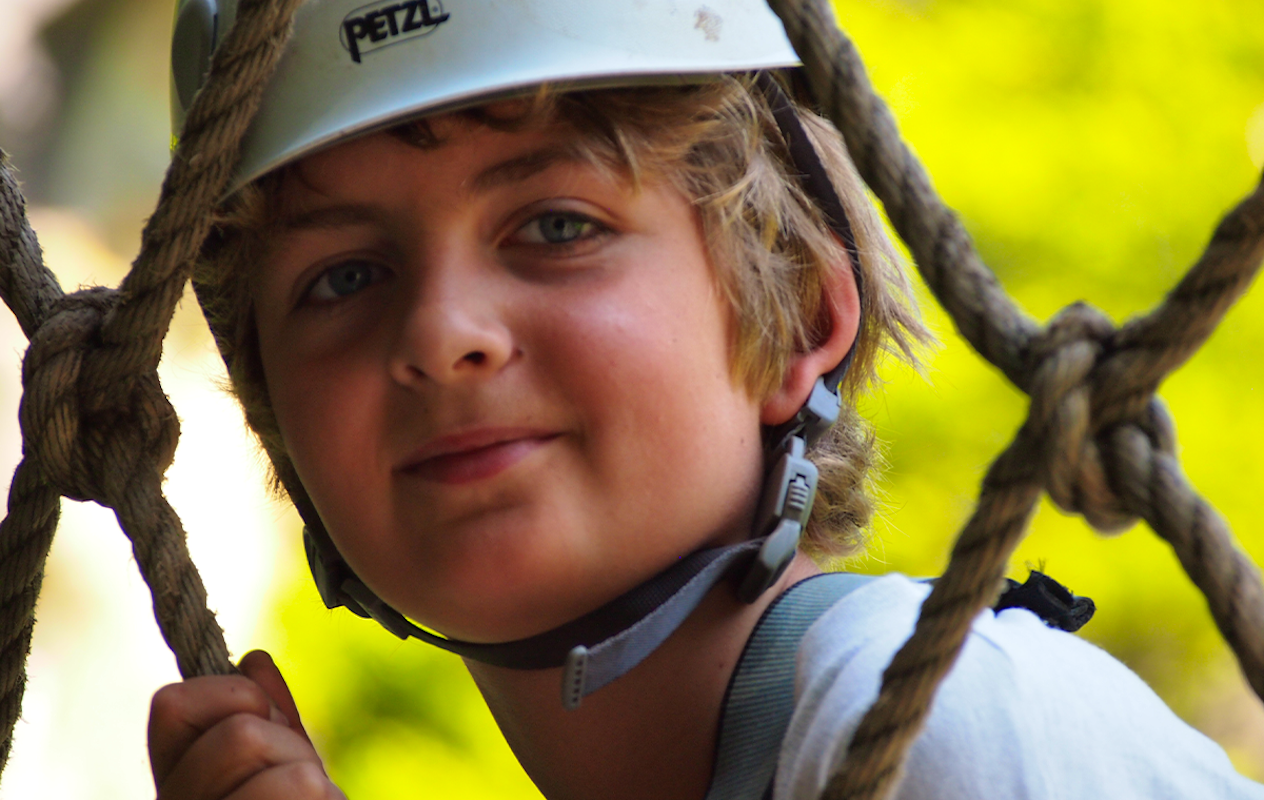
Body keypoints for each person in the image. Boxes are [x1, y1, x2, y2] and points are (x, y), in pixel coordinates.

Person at [150, 0, 1264, 798]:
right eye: (343, 277)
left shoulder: (926, 718)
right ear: (280, 428)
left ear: (792, 312)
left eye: (555, 226)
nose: (442, 335)